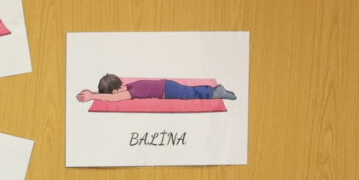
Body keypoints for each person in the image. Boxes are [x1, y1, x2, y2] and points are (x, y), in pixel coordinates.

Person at [77, 73, 238, 105]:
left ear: (114, 91)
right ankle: (214, 90)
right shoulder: (126, 86)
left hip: (168, 91)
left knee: (190, 93)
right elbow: (113, 94)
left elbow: (115, 98)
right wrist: (94, 93)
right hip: (167, 85)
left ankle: (215, 93)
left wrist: (93, 96)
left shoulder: (131, 91)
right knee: (190, 90)